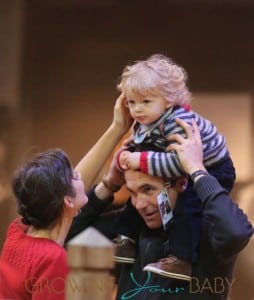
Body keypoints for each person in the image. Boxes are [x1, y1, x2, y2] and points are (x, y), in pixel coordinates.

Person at [67, 118, 253, 299]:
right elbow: (66, 231)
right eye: (132, 192)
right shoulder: (131, 229)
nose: (139, 204)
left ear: (181, 183)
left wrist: (197, 170)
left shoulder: (207, 230)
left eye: (148, 190)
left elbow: (236, 233)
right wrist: (108, 185)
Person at [112, 54, 236, 281]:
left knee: (189, 205)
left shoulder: (177, 122)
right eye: (131, 102)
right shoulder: (146, 120)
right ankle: (125, 241)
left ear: (168, 101)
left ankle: (182, 259)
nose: (137, 110)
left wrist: (139, 160)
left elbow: (179, 163)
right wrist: (126, 152)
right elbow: (140, 144)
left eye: (146, 102)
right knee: (136, 190)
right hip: (180, 163)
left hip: (212, 168)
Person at [0, 94, 133, 300]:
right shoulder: (52, 259)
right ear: (68, 201)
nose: (80, 174)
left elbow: (62, 203)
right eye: (74, 176)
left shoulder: (18, 231)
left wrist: (117, 129)